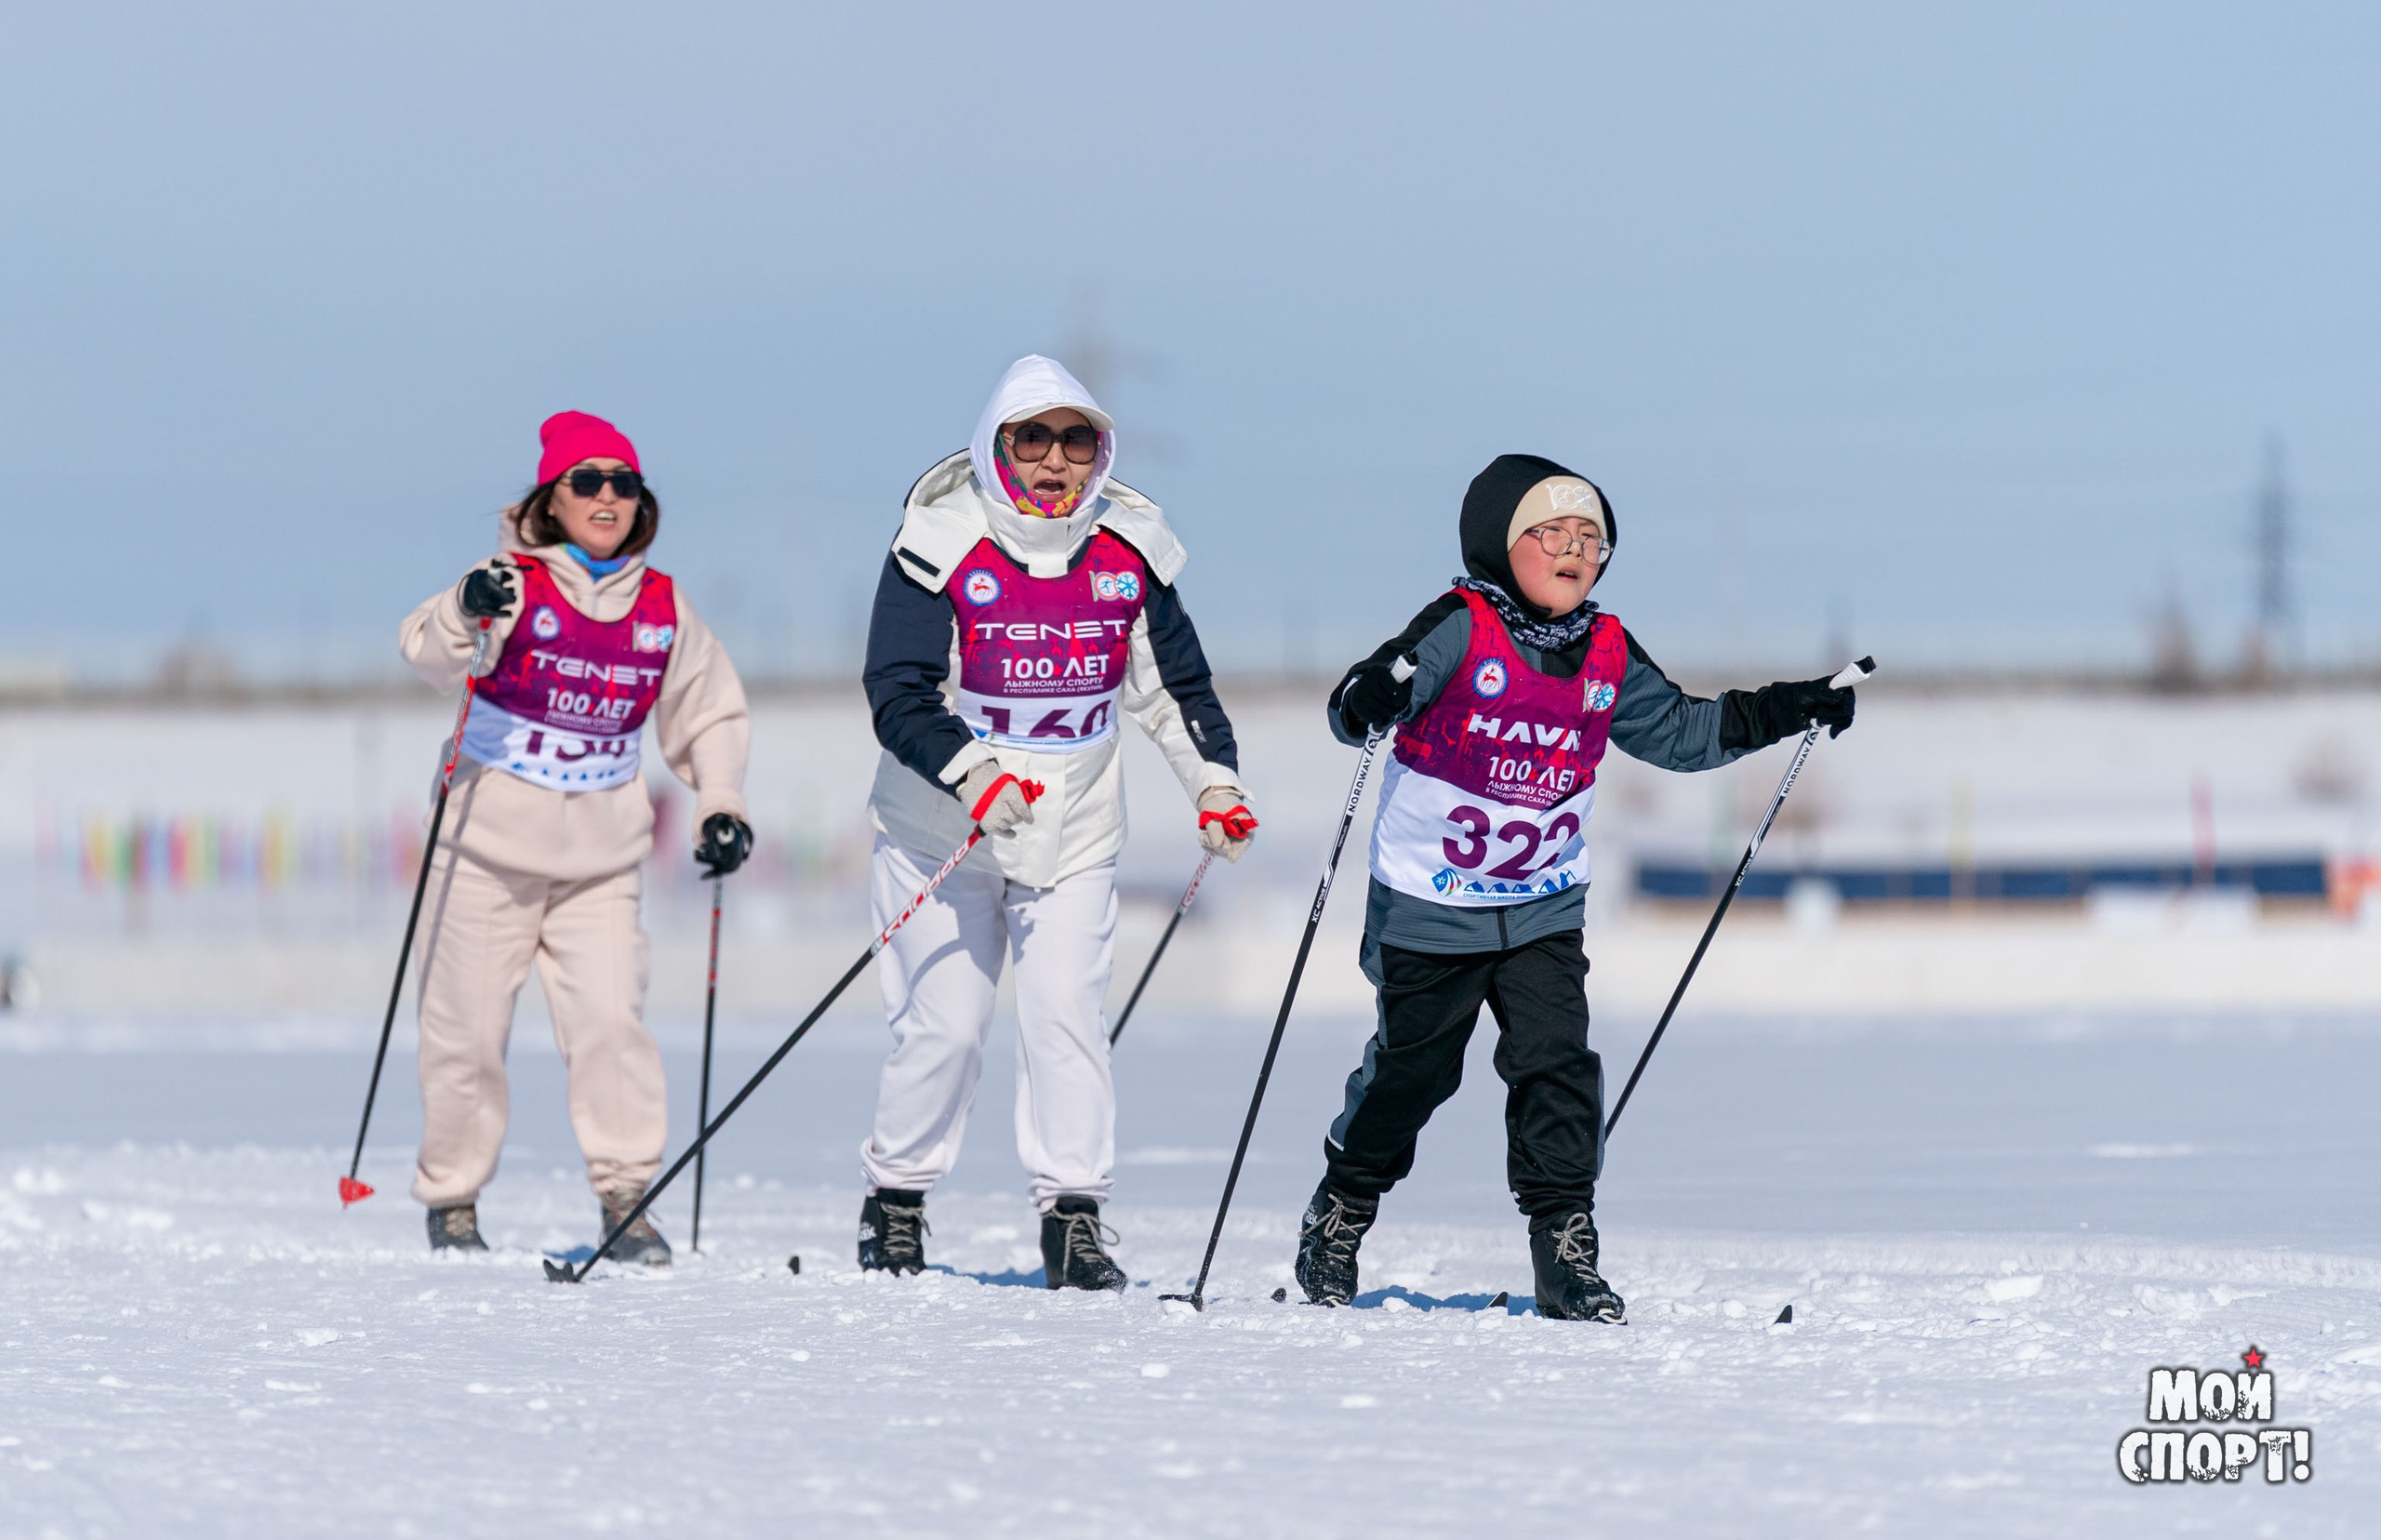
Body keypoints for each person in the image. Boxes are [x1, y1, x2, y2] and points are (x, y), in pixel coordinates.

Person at [1293, 455, 1856, 1321]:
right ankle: (1342, 1206)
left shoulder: (1603, 648)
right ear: (1500, 545)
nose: (1573, 549)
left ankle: (1565, 1244)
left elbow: (1679, 732)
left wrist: (1791, 705)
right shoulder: (1460, 626)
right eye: (1549, 533)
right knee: (1415, 1072)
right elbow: (1365, 698)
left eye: (1590, 537)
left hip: (1542, 905)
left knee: (1557, 1066)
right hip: (1430, 904)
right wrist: (1366, 698)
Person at [852, 354, 1256, 1291]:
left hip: (1072, 832)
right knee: (945, 1030)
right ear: (996, 445)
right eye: (1030, 439)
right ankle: (897, 1200)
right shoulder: (941, 542)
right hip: (940, 833)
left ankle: (1072, 1219)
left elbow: (1173, 691)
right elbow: (899, 691)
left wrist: (1215, 786)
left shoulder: (1129, 549)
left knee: (1066, 1020)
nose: (1053, 461)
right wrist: (974, 774)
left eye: (1076, 441)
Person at [398, 410, 754, 1263]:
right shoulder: (507, 581)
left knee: (609, 1026)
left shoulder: (663, 607)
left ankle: (626, 1196)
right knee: (468, 1036)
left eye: (623, 484)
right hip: (485, 855)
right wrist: (462, 608)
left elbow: (709, 712)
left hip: (600, 862)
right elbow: (429, 653)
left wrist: (721, 803)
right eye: (586, 482)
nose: (606, 497)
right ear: (550, 500)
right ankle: (453, 1200)